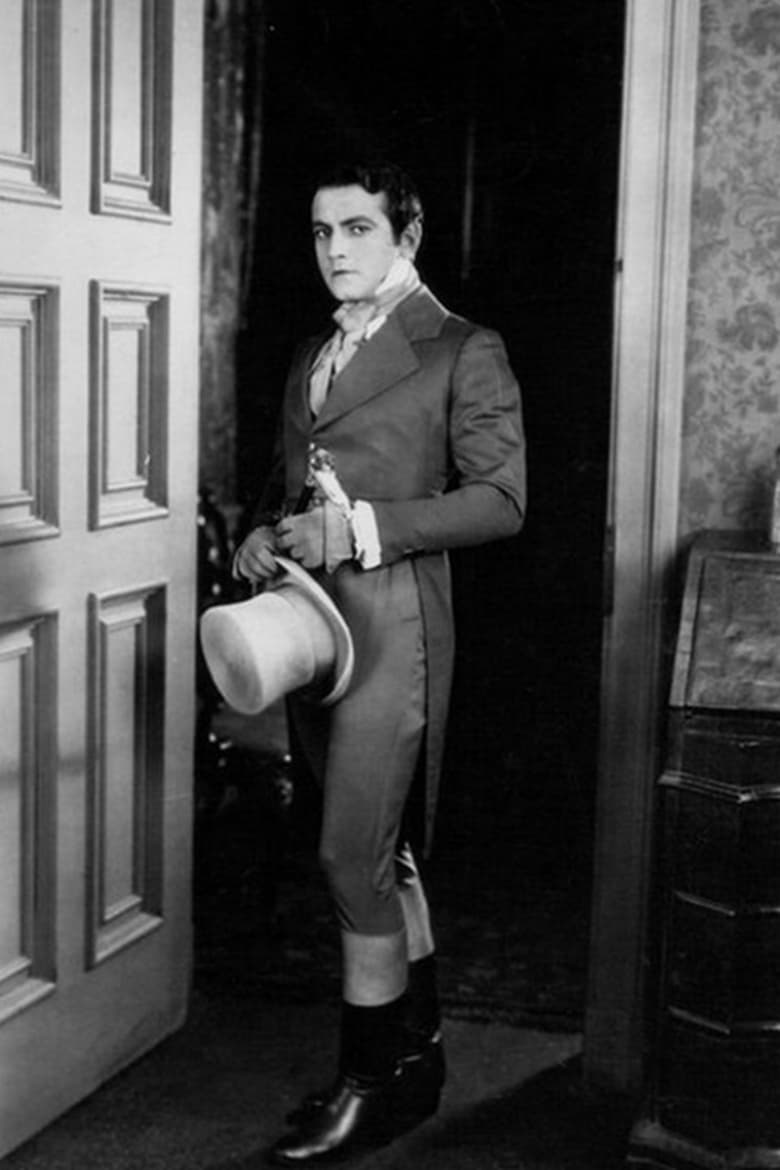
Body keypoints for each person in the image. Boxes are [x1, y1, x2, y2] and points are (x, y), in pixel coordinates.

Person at [234, 161, 526, 1165]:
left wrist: (357, 528)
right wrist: (265, 532)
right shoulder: (314, 351)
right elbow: (289, 482)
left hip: (394, 624)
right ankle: (416, 1059)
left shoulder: (461, 348)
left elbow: (501, 500)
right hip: (308, 624)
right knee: (380, 852)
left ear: (408, 235)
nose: (334, 250)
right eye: (322, 232)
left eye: (357, 228)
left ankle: (368, 1086)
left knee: (349, 857)